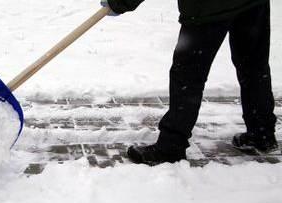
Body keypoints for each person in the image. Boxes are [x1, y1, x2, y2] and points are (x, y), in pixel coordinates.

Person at [100, 0, 279, 165]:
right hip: (253, 2)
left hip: (208, 6)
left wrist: (120, 2)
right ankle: (262, 134)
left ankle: (170, 148)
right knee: (254, 67)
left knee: (188, 76)